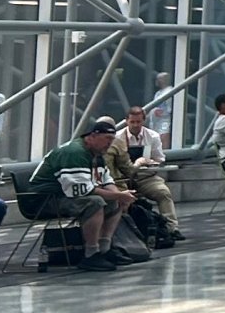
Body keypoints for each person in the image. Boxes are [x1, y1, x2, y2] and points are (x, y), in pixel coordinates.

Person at [34, 117, 142, 270]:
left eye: (112, 139)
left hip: (63, 195)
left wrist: (121, 196)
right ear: (92, 137)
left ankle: (104, 248)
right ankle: (91, 254)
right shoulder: (74, 153)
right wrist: (119, 195)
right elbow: (84, 191)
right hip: (43, 200)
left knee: (115, 201)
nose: (110, 143)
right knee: (94, 202)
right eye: (107, 139)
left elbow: (107, 181)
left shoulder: (96, 155)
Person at [104, 108, 182, 246]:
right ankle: (126, 232)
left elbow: (160, 159)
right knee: (120, 196)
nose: (135, 125)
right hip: (122, 178)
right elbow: (124, 167)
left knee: (163, 193)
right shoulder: (117, 138)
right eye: (132, 121)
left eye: (138, 122)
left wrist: (149, 162)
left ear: (143, 121)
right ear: (126, 121)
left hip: (145, 176)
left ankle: (171, 228)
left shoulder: (153, 136)